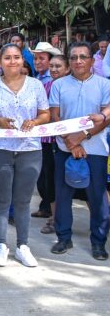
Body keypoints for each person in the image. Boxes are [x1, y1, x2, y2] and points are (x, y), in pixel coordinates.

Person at [0, 43, 50, 267]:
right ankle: (1, 245)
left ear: (22, 60)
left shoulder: (35, 86)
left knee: (23, 201)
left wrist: (35, 121)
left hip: (29, 149)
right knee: (2, 199)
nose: (12, 61)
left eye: (16, 57)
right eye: (7, 57)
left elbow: (45, 113)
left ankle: (23, 246)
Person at [49, 42, 110, 261]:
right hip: (65, 149)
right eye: (73, 57)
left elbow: (106, 116)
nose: (78, 61)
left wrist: (82, 137)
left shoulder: (104, 85)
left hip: (96, 149)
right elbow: (55, 116)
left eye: (83, 57)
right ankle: (64, 237)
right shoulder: (59, 85)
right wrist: (71, 143)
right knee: (63, 195)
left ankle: (99, 242)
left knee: (97, 197)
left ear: (92, 61)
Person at [37, 54, 70, 234]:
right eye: (52, 66)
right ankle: (54, 218)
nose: (54, 69)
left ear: (67, 68)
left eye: (58, 66)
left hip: (72, 140)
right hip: (47, 141)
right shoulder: (44, 87)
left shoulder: (72, 87)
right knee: (50, 181)